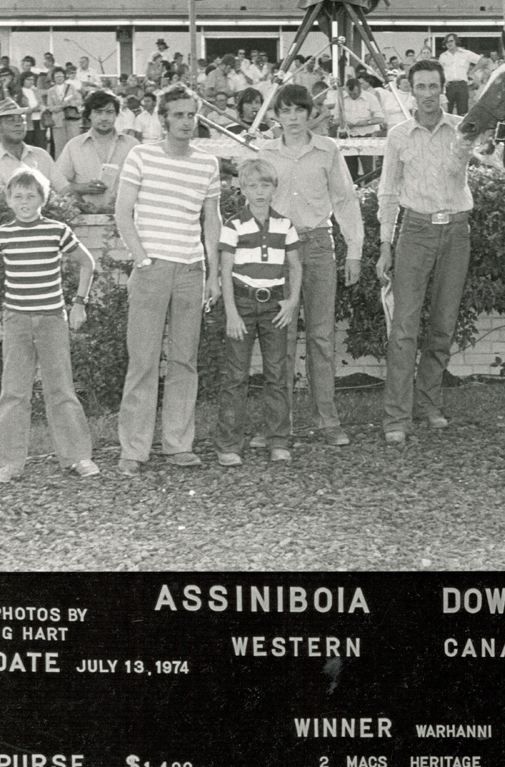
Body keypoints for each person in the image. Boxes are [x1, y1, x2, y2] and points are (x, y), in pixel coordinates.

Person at [114, 85, 222, 476]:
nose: (186, 122)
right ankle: (134, 450)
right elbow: (123, 213)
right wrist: (142, 259)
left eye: (191, 114)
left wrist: (212, 273)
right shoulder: (141, 156)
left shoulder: (206, 164)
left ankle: (178, 444)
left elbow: (212, 220)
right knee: (142, 361)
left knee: (184, 360)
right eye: (178, 115)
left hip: (191, 271)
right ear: (163, 119)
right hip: (152, 270)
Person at [0, 169, 99, 484]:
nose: (25, 201)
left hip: (53, 319)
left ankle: (77, 457)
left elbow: (87, 263)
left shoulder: (57, 231)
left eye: (32, 196)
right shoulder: (2, 234)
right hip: (15, 321)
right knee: (14, 391)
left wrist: (79, 303)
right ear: (9, 200)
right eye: (18, 196)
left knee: (60, 389)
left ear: (43, 199)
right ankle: (8, 462)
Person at [377, 58, 475, 444]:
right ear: (411, 91)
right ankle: (396, 417)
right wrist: (385, 246)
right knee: (403, 328)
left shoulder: (463, 130)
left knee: (443, 324)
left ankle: (428, 404)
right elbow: (387, 192)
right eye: (421, 87)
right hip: (414, 231)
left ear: (443, 90)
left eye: (434, 87)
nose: (429, 95)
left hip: (456, 232)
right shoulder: (399, 135)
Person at [259, 84, 363, 446]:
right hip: (278, 250)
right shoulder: (266, 152)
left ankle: (327, 420)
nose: (291, 119)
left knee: (321, 337)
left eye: (298, 111)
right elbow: (256, 205)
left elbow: (346, 200)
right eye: (284, 111)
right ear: (277, 115)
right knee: (280, 338)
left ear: (308, 114)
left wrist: (354, 250)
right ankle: (278, 425)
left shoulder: (327, 150)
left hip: (319, 245)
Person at [215, 158, 302, 466]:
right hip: (242, 303)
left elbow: (295, 265)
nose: (260, 191)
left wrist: (291, 302)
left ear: (274, 188)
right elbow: (225, 271)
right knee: (236, 375)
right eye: (252, 185)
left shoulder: (284, 225)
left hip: (274, 306)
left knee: (277, 374)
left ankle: (278, 439)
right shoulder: (234, 225)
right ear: (242, 188)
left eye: (266, 185)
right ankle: (229, 444)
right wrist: (231, 313)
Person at [56, 90, 137, 211]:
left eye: (109, 112)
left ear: (116, 115)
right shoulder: (74, 146)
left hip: (125, 218)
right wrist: (82, 188)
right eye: (98, 112)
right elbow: (58, 183)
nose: (104, 118)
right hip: (85, 219)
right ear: (89, 115)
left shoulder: (132, 146)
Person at [0, 99, 69, 195]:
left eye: (21, 120)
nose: (18, 124)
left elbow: (64, 189)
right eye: (10, 120)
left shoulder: (41, 155)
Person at [439, 33, 480, 116]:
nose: (449, 43)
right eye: (447, 42)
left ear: (456, 41)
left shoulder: (466, 53)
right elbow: (439, 71)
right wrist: (443, 81)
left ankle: (461, 129)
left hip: (462, 85)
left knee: (463, 111)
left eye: (451, 41)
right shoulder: (443, 56)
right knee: (447, 111)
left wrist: (471, 73)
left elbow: (481, 60)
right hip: (448, 86)